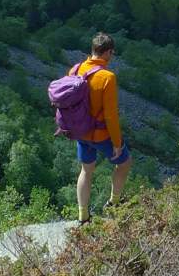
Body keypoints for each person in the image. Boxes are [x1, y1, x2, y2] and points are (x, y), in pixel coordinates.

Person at [68, 33, 130, 223]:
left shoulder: (75, 69)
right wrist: (117, 143)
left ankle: (83, 216)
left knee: (86, 171)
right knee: (124, 163)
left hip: (80, 132)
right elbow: (111, 116)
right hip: (101, 135)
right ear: (108, 52)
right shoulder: (107, 77)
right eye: (112, 53)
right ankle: (114, 202)